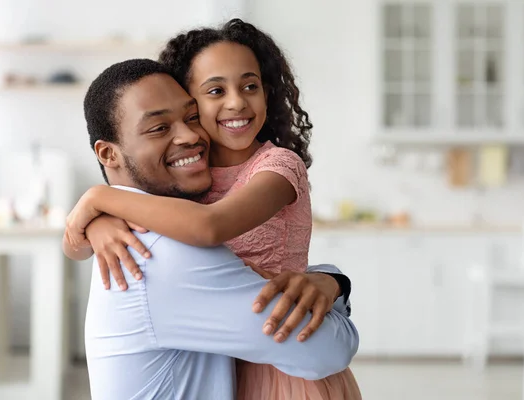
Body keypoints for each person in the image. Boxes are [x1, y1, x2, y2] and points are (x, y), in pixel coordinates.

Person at [65, 19, 361, 399]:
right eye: (215, 91)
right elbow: (74, 246)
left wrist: (100, 200)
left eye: (250, 86)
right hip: (263, 344)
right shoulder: (161, 233)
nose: (236, 101)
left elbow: (209, 226)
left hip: (280, 364)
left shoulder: (274, 167)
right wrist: (96, 220)